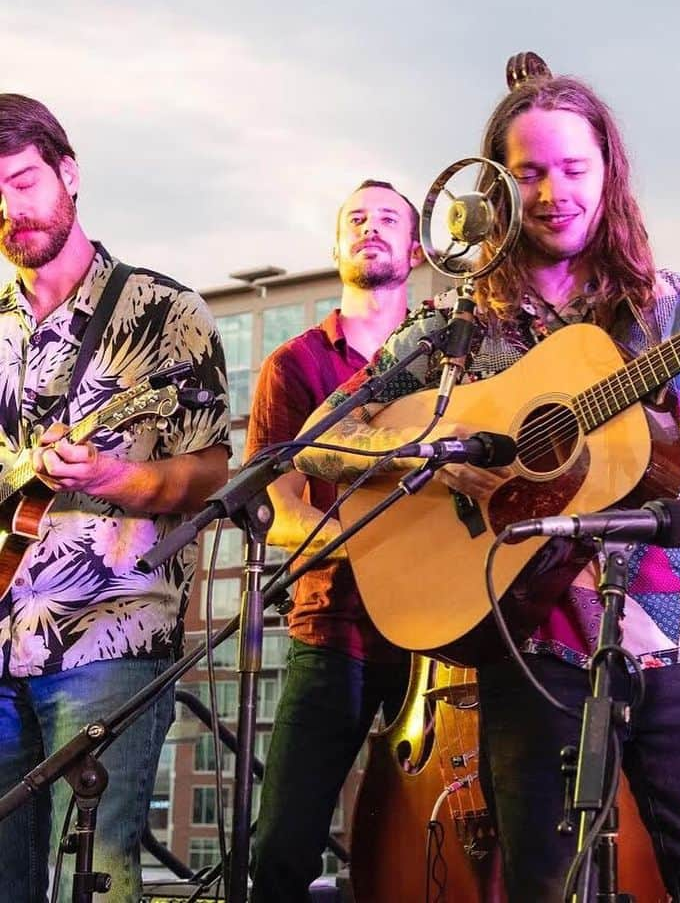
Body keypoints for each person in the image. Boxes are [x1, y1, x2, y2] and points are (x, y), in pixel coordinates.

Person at [295, 73, 680, 902]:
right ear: (497, 187)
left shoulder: (678, 308)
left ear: (608, 174)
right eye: (529, 173)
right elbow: (323, 439)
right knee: (541, 889)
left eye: (573, 169)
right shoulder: (455, 326)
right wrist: (431, 451)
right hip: (534, 642)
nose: (553, 193)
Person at [0, 93, 231, 902]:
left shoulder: (165, 313)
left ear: (69, 174)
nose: (10, 209)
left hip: (109, 635)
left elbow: (210, 470)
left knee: (101, 878)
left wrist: (115, 480)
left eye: (23, 183)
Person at [247, 180, 419, 901]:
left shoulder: (454, 359)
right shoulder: (294, 365)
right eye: (355, 218)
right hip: (333, 630)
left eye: (388, 219)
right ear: (336, 245)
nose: (370, 228)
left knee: (441, 843)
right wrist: (373, 543)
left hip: (441, 643)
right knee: (284, 846)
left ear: (416, 248)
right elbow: (275, 510)